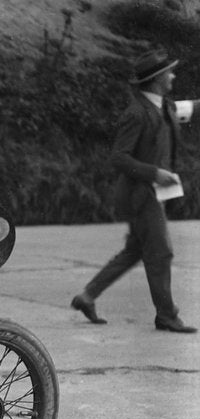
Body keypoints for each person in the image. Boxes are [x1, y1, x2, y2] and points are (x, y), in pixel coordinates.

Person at [71, 48, 197, 333]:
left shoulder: (165, 106)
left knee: (135, 251)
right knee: (161, 252)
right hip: (141, 196)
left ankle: (87, 296)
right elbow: (118, 157)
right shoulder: (137, 113)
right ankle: (167, 315)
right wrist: (155, 173)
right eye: (170, 72)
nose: (173, 75)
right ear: (157, 79)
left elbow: (192, 107)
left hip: (152, 195)